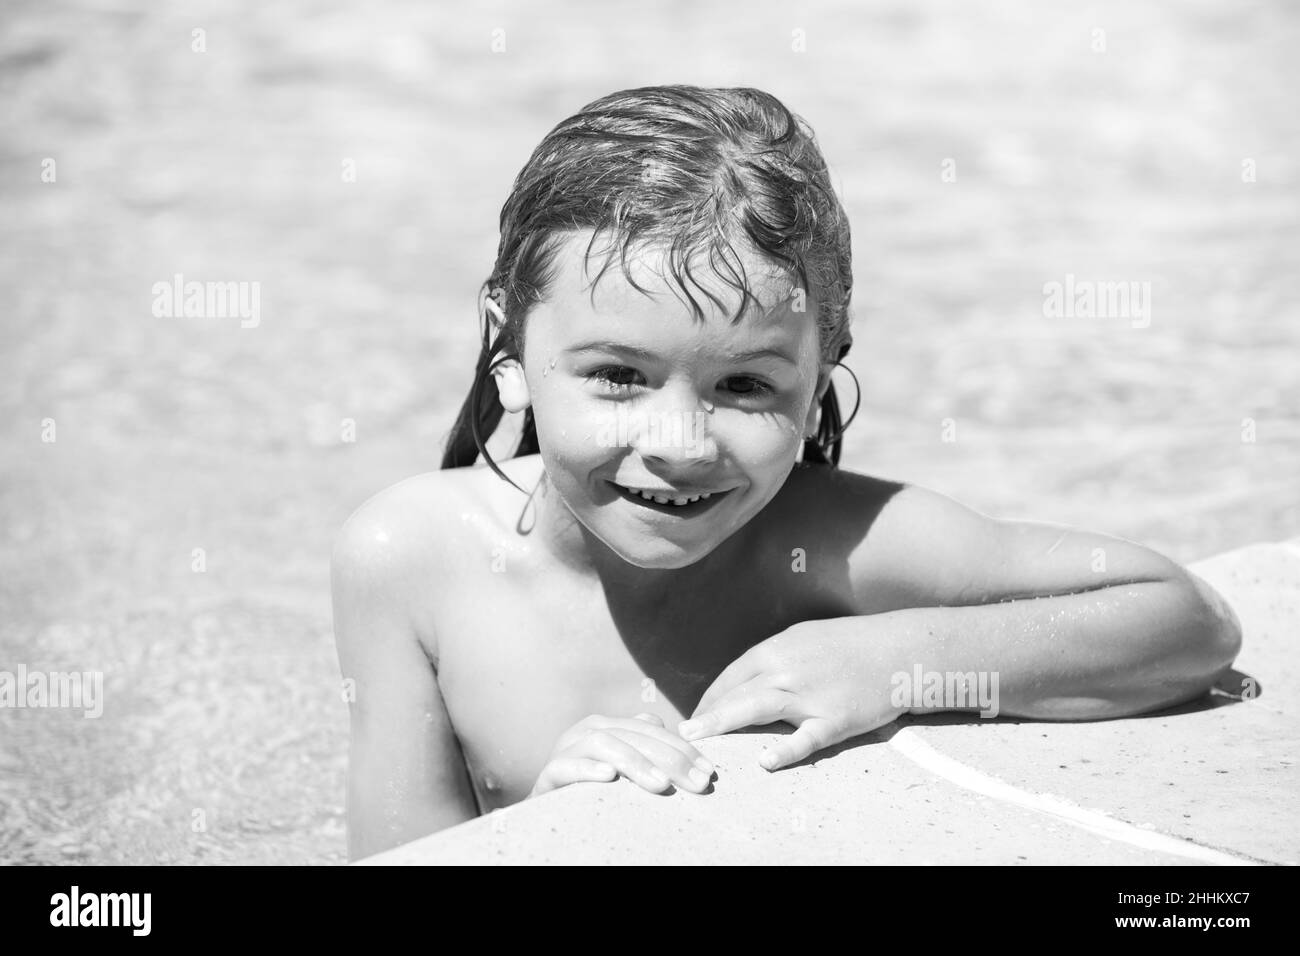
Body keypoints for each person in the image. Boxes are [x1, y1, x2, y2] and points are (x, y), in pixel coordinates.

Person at [331, 85, 1242, 861]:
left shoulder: (835, 548)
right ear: (508, 345)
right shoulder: (412, 561)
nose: (682, 441)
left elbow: (1181, 618)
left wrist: (892, 660)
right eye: (617, 375)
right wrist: (541, 831)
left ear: (818, 379)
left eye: (744, 385)